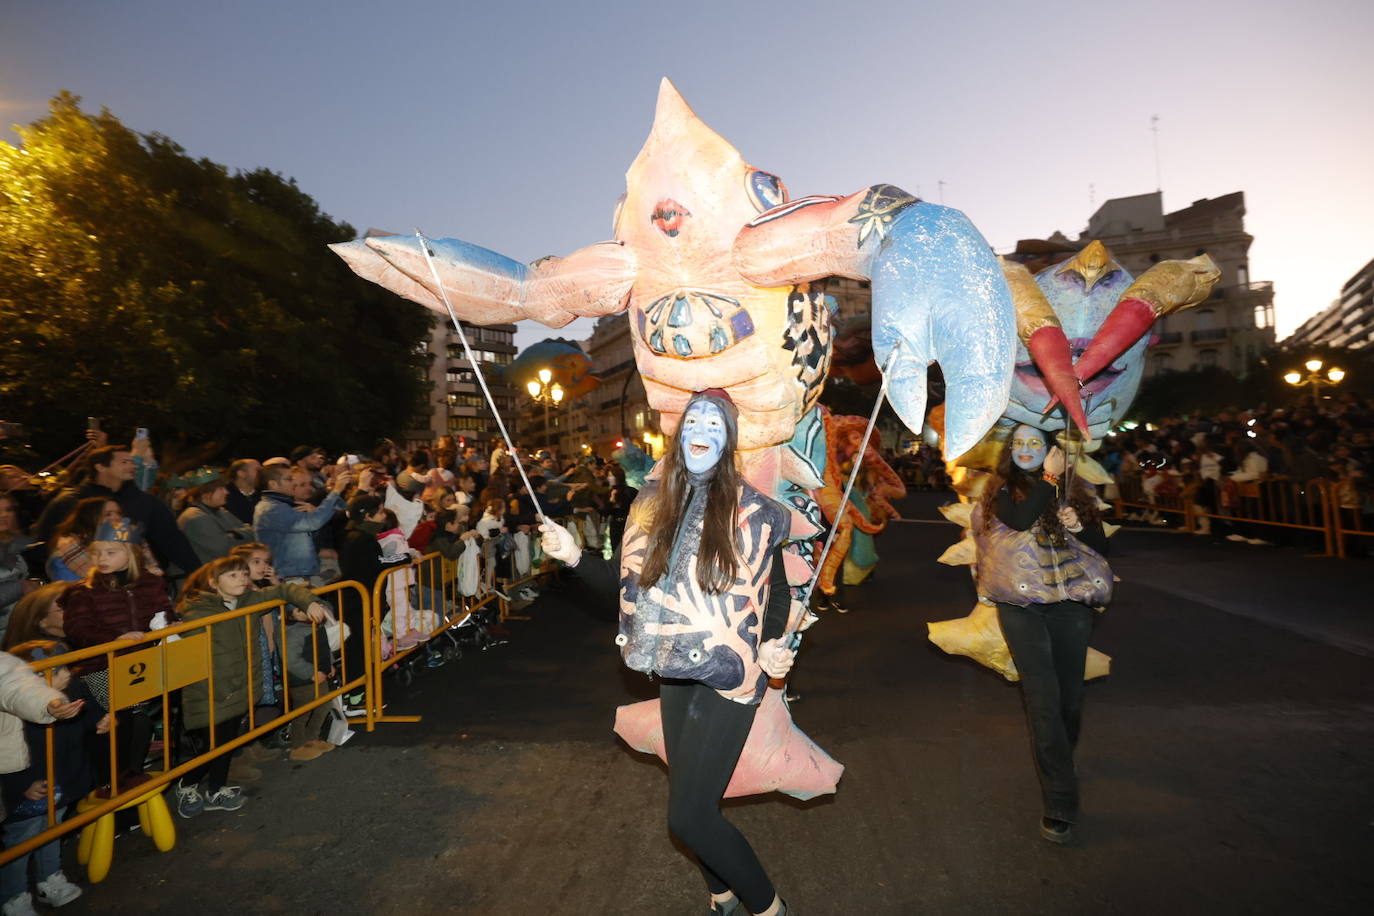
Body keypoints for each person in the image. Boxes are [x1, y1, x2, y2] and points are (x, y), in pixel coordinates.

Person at [539, 390, 794, 916]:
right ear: (680, 437)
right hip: (674, 669)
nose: (702, 428)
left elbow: (778, 593)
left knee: (689, 819)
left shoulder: (757, 512)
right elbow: (622, 582)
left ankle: (771, 909)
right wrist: (572, 558)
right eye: (694, 419)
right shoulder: (651, 503)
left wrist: (776, 645)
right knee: (687, 798)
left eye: (715, 424)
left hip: (730, 674)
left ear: (727, 442)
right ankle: (722, 895)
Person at [974, 425, 1111, 846]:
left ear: (1051, 450)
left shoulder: (1073, 489)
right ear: (1010, 452)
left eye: (1036, 443)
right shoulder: (998, 491)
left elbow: (1100, 546)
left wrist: (1079, 523)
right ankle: (1060, 802)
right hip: (1021, 609)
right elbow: (1019, 519)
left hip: (1070, 605)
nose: (1027, 450)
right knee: (1044, 701)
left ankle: (1060, 763)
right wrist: (1049, 482)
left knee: (1069, 697)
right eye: (1019, 443)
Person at [172, 555, 330, 818]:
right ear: (213, 582)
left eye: (244, 574)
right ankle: (186, 784)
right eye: (233, 575)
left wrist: (309, 601)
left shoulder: (248, 601)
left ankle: (216, 789)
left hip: (239, 689)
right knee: (214, 747)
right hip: (213, 691)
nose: (242, 579)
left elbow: (283, 589)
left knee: (227, 742)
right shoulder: (198, 612)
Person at [57, 518, 173, 787]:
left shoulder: (150, 583)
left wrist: (170, 623)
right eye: (97, 552)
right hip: (101, 664)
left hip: (143, 660)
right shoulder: (84, 591)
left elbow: (163, 610)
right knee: (129, 712)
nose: (101, 558)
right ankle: (121, 775)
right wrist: (115, 638)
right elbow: (77, 628)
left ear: (130, 553)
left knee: (141, 713)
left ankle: (131, 770)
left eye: (111, 552)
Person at [1, 643, 104, 915]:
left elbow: (85, 719)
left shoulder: (70, 693)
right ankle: (13, 895)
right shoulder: (15, 712)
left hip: (61, 781)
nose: (67, 673)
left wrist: (99, 721)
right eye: (58, 670)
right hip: (29, 789)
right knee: (20, 842)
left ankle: (49, 878)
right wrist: (22, 783)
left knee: (52, 829)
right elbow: (12, 750)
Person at [34, 445, 199, 579]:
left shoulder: (144, 501)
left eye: (133, 462)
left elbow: (170, 537)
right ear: (100, 467)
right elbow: (46, 541)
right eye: (124, 462)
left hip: (141, 583)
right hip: (88, 585)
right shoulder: (71, 501)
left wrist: (196, 571)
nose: (133, 466)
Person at [253, 465, 352, 585]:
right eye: (289, 479)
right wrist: (336, 491)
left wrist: (333, 492)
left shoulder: (283, 504)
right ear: (273, 484)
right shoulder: (272, 509)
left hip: (300, 573)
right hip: (289, 576)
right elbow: (313, 523)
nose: (293, 483)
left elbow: (343, 510)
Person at [178, 479, 255, 565]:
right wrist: (241, 534)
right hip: (208, 574)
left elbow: (252, 532)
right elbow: (224, 550)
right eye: (221, 488)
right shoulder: (195, 516)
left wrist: (234, 534)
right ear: (206, 494)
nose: (226, 492)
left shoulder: (220, 511)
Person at [0, 496, 32, 638]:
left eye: (8, 509)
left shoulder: (15, 542)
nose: (4, 515)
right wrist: (20, 587)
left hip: (18, 625)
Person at [223, 459, 262, 526]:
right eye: (258, 470)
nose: (262, 473)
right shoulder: (225, 496)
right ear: (241, 473)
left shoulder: (264, 494)